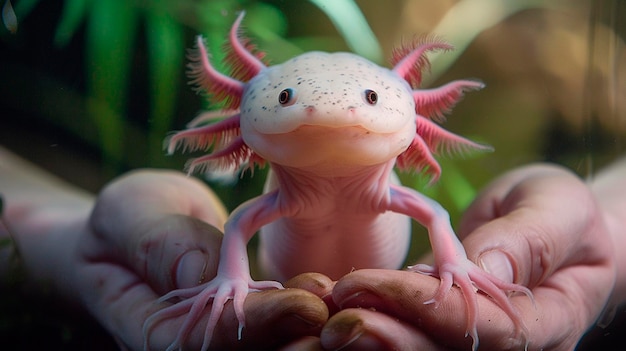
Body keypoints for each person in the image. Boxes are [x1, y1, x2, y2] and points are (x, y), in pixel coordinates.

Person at [1, 144, 624, 350]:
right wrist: (229, 277)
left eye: (373, 103)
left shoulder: (389, 178)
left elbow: (433, 212)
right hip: (278, 278)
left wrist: (458, 260)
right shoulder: (272, 194)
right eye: (286, 101)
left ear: (415, 115)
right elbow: (240, 226)